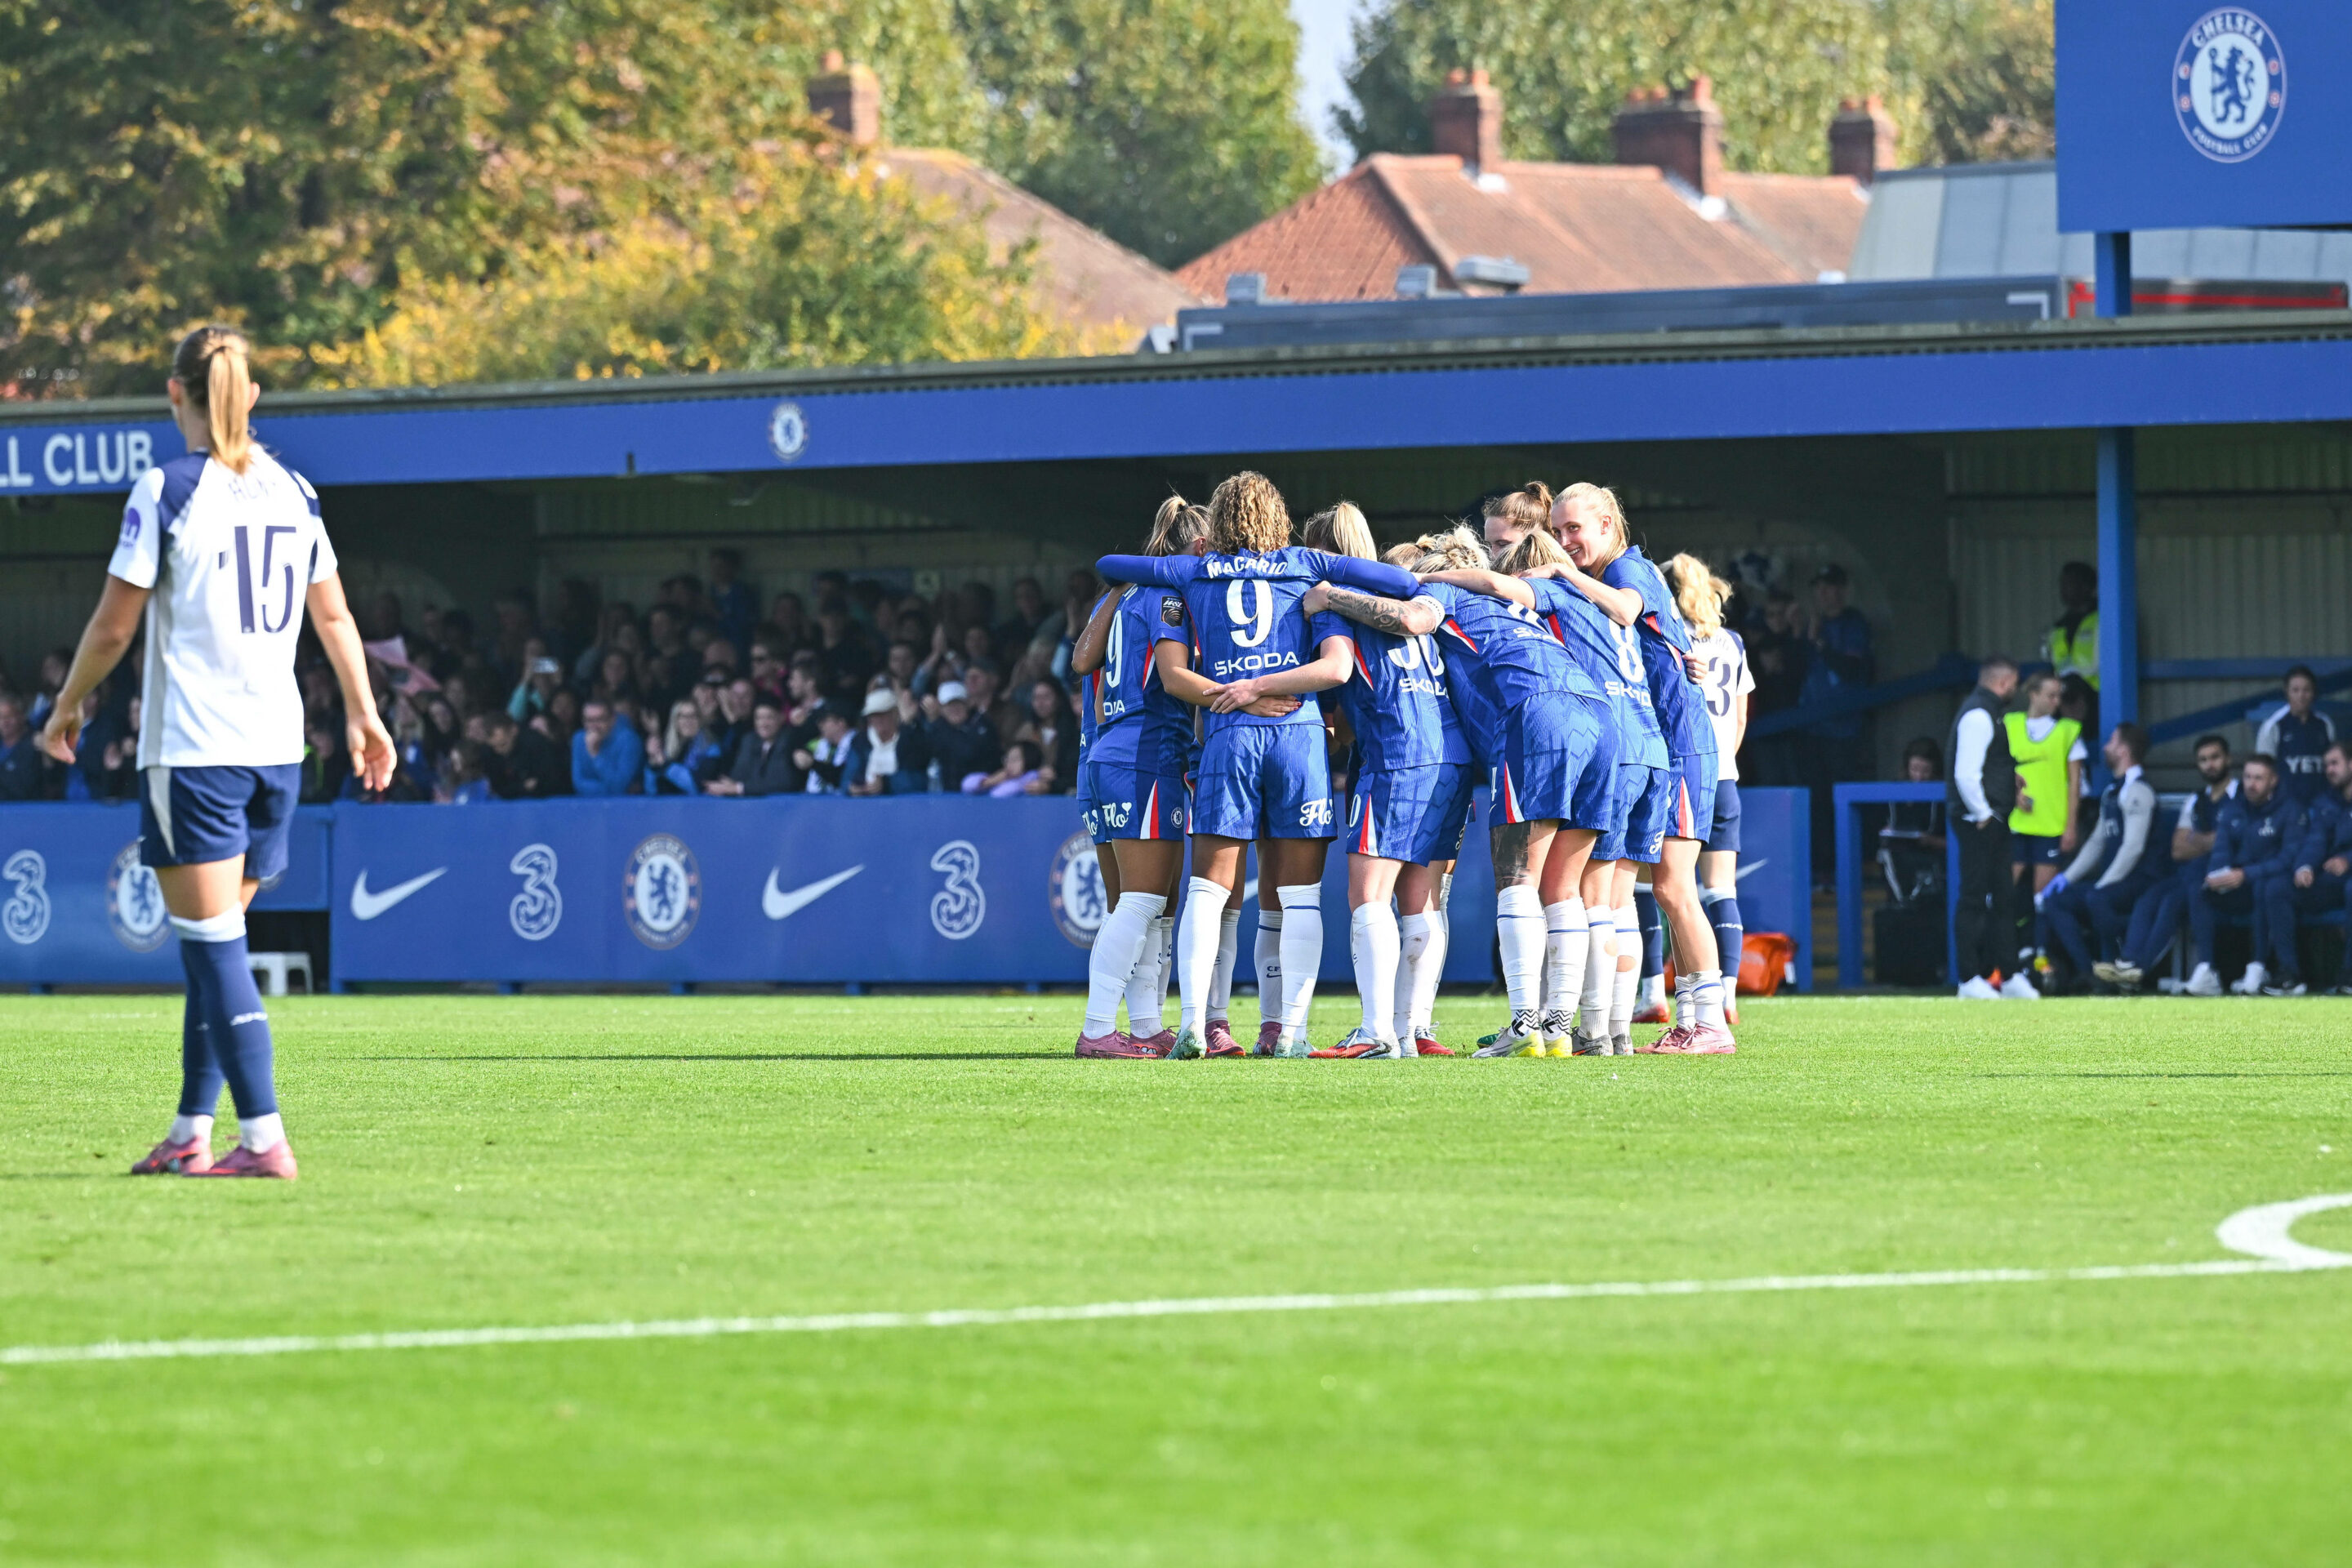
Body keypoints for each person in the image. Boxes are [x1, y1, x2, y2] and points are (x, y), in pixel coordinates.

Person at [36, 325, 393, 1179]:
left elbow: (115, 622)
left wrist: (67, 703)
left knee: (211, 947)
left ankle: (264, 1138)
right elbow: (335, 618)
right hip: (276, 750)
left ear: (174, 393)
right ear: (254, 396)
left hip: (196, 750)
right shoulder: (295, 490)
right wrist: (363, 714)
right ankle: (193, 1127)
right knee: (217, 936)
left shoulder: (168, 488)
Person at [1096, 470, 1416, 1058]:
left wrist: (1195, 564)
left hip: (1229, 736)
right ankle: (1289, 1031)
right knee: (1299, 897)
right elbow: (1401, 580)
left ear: (1217, 521)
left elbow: (1110, 563)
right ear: (1279, 516)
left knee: (1207, 892)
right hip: (1298, 739)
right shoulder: (1308, 565)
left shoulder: (1192, 570)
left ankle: (1195, 1024)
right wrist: (1330, 588)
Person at [1418, 523, 1624, 1060]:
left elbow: (1410, 615)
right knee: (1566, 890)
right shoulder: (1544, 604)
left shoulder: (1445, 591)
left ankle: (1525, 1024)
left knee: (1518, 882)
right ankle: (1561, 1028)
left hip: (1537, 717)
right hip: (1603, 722)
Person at [1294, 503, 1480, 1058]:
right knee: (1420, 901)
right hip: (1451, 752)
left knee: (1367, 895)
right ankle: (1414, 1028)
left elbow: (1340, 689)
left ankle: (1376, 1030)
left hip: (1397, 752)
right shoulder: (1410, 597)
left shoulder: (1335, 607)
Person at [1068, 497, 1237, 1058]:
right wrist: (1243, 695)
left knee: (1156, 907)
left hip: (1110, 750)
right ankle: (1097, 1029)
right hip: (1145, 753)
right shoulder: (1168, 598)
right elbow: (1173, 677)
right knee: (1141, 904)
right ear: (1197, 549)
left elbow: (1081, 662)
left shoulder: (1123, 594)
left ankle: (1144, 1026)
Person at [1668, 554, 1753, 1028]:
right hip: (1725, 775)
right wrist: (1727, 760)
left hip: (1685, 772)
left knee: (1657, 886)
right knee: (1721, 889)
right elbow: (1740, 717)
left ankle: (1649, 994)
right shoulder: (1733, 642)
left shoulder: (1670, 635)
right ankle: (1728, 996)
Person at [2102, 734, 2236, 991]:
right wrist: (2212, 840)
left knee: (2171, 902)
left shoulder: (2241, 795)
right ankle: (2130, 962)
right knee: (2150, 897)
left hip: (2224, 878)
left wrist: (2198, 840)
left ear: (2228, 759)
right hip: (2189, 875)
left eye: (2215, 758)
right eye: (2203, 760)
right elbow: (2177, 849)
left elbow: (2232, 842)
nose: (2210, 765)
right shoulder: (2195, 800)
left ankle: (2140, 969)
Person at [2038, 724, 2159, 991]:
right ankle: (2089, 972)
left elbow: (2134, 848)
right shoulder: (2112, 792)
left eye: (2111, 742)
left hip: (2140, 879)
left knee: (2097, 898)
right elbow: (2096, 843)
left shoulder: (2138, 791)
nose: (2105, 747)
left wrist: (2104, 883)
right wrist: (2065, 878)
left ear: (2124, 750)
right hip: (2115, 881)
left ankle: (2123, 961)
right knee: (2056, 900)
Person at [1949, 656, 2029, 999]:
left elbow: (1986, 765)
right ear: (2004, 682)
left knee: (2004, 899)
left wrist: (2009, 781)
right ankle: (1969, 979)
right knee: (1974, 899)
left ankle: (2009, 976)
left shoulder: (1988, 712)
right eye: (2015, 683)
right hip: (1980, 821)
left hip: (1993, 818)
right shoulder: (1980, 714)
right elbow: (1965, 773)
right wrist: (1982, 813)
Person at [2192, 754, 2300, 997]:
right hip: (2237, 884)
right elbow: (2221, 849)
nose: (2251, 784)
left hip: (2268, 883)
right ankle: (2207, 968)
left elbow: (2288, 859)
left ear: (2273, 780)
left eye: (2258, 778)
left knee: (2266, 886)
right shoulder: (2234, 808)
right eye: (2248, 777)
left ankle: (2258, 966)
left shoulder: (2290, 809)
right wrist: (2216, 875)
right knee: (2198, 883)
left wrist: (2246, 874)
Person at [2005, 670, 2086, 983]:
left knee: (2043, 899)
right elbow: (1996, 767)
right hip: (2014, 823)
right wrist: (2013, 795)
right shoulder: (2010, 725)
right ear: (2032, 694)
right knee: (2006, 893)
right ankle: (2006, 957)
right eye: (2050, 695)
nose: (2056, 702)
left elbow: (2074, 783)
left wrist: (2070, 826)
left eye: (2059, 696)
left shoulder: (2067, 730)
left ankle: (2039, 959)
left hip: (2050, 825)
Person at [2254, 742, 2350, 996]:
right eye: (2326, 764)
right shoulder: (2324, 801)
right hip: (2329, 880)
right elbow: (2315, 840)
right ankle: (2290, 974)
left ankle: (2349, 974)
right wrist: (2305, 867)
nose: (2328, 770)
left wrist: (2348, 860)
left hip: (2349, 878)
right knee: (2278, 887)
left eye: (2335, 763)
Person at [2255, 666, 2336, 810]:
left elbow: (2333, 764)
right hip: (2285, 808)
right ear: (2287, 692)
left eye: (2307, 690)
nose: (2301, 695)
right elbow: (2262, 771)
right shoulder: (2273, 726)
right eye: (2296, 690)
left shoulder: (2325, 724)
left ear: (2313, 692)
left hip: (2321, 807)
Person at [704, 696, 801, 796]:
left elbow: (781, 782)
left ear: (781, 718)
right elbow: (739, 775)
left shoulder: (789, 740)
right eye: (759, 718)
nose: (764, 724)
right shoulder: (749, 740)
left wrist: (738, 788)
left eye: (769, 718)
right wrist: (728, 785)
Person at [844, 686, 931, 795]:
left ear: (895, 713)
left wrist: (886, 784)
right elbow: (846, 779)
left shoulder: (912, 739)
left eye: (882, 714)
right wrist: (852, 788)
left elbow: (919, 781)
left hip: (902, 805)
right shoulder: (860, 742)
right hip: (865, 805)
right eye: (873, 715)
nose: (877, 719)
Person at [570, 698, 643, 795]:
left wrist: (596, 755)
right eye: (589, 720)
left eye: (600, 719)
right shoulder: (579, 739)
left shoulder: (629, 740)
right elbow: (578, 783)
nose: (594, 726)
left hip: (624, 805)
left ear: (612, 720)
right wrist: (608, 790)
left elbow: (619, 786)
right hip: (586, 804)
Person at [2045, 561, 2099, 688]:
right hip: (2066, 696)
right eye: (2062, 584)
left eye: (2069, 583)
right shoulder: (2059, 627)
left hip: (2099, 696)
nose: (2063, 589)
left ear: (2086, 587)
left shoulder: (2104, 620)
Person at [0, 693, 48, 800]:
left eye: (9, 716)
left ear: (21, 717)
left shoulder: (35, 745)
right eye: (1, 718)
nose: (5, 722)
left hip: (25, 811)